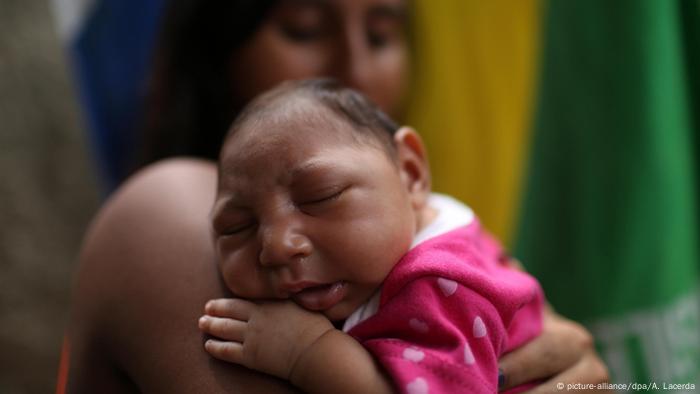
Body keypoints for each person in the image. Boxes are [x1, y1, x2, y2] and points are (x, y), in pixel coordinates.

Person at [64, 0, 608, 392]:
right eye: (302, 28)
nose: (355, 70)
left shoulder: (437, 261)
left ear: (413, 172)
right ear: (215, 42)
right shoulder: (164, 209)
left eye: (380, 33)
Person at [198, 79, 544, 393]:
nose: (275, 246)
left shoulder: (439, 283)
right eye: (236, 227)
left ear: (409, 174)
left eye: (320, 196)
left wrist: (306, 351)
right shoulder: (422, 216)